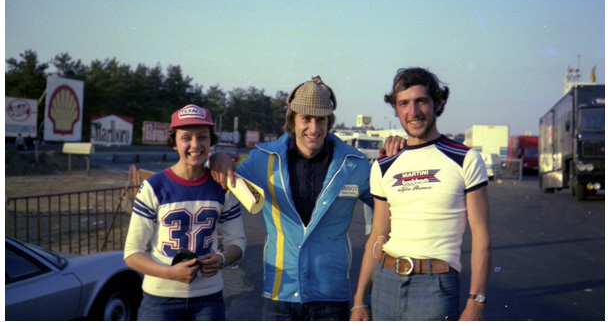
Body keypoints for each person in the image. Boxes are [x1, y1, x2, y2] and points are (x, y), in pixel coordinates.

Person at [215, 76, 373, 320]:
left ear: (329, 121)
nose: (314, 128)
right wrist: (215, 158)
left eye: (320, 119)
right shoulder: (263, 159)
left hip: (332, 296)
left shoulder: (355, 164)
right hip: (280, 294)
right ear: (292, 119)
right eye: (306, 119)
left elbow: (392, 210)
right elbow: (221, 182)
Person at [350, 67, 491, 321]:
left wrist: (476, 302)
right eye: (404, 103)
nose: (413, 112)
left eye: (421, 101)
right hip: (385, 282)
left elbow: (481, 237)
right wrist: (359, 300)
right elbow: (379, 234)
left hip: (435, 286)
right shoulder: (383, 165)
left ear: (437, 103)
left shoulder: (465, 159)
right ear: (396, 109)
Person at [124, 104, 246, 321]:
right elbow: (132, 253)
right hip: (160, 298)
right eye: (186, 137)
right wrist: (169, 273)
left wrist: (222, 258)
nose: (195, 145)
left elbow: (238, 241)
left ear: (211, 141)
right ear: (173, 143)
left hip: (208, 298)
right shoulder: (154, 186)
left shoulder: (223, 186)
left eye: (202, 137)